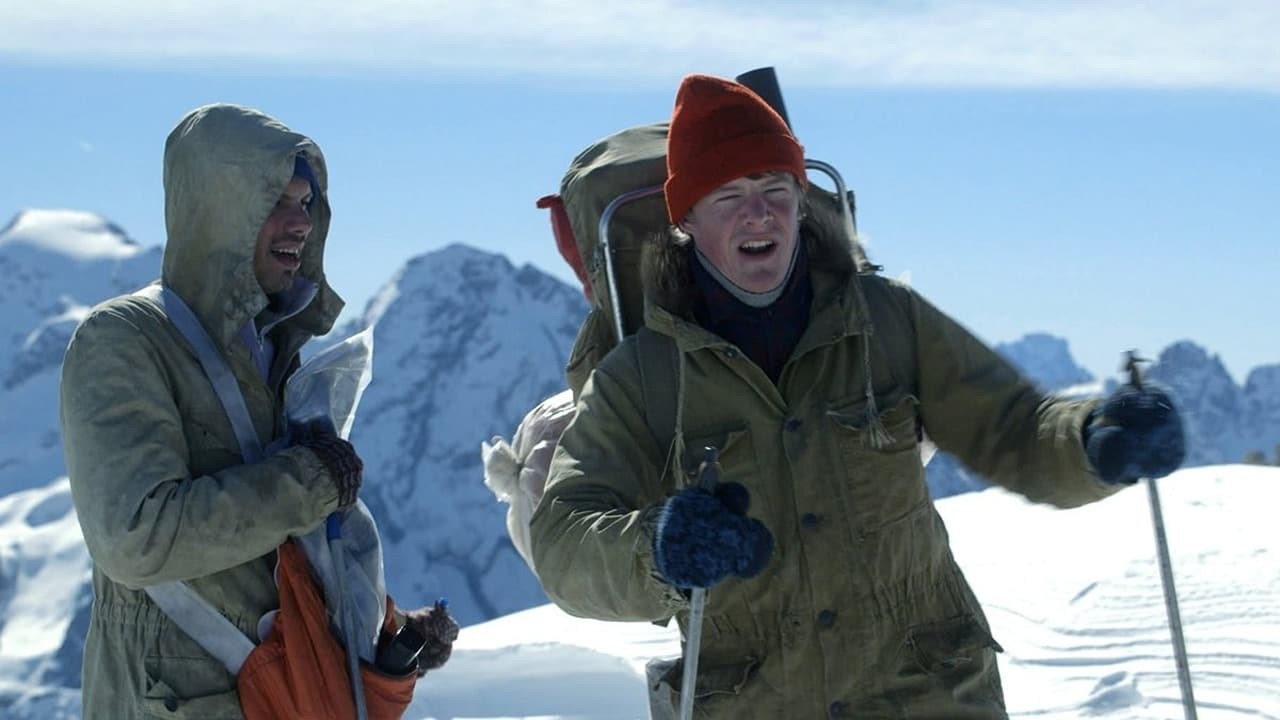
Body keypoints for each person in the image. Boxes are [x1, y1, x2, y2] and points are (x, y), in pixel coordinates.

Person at [528, 74, 1186, 719]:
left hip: (926, 696)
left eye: (774, 188)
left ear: (800, 200)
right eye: (728, 194)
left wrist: (1097, 443)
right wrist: (656, 548)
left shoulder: (888, 321)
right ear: (688, 219)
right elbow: (564, 540)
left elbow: (1012, 428)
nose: (758, 213)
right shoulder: (643, 376)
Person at [60, 103, 455, 719]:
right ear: (222, 211)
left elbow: (274, 557)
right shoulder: (125, 340)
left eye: (308, 204)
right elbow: (135, 537)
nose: (299, 223)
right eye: (277, 201)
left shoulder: (272, 348)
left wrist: (387, 630)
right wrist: (308, 482)